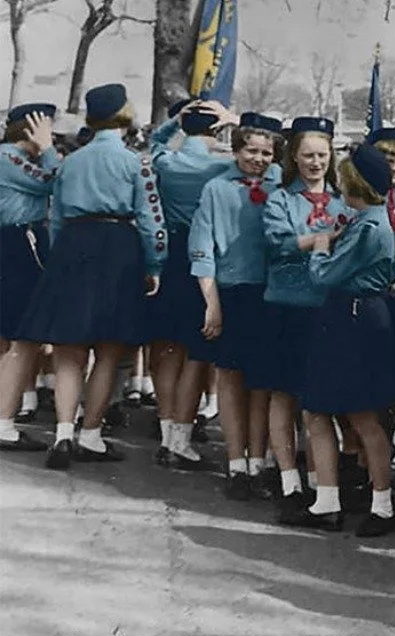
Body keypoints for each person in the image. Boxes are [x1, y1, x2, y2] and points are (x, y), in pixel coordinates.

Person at [9, 84, 167, 468]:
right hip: (118, 248)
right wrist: (154, 263)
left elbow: (58, 217)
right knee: (109, 351)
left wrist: (59, 258)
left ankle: (62, 434)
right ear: (124, 113)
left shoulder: (69, 162)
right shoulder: (138, 162)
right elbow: (150, 218)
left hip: (73, 248)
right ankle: (91, 435)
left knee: (69, 352)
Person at [290, 144, 395, 536]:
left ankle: (369, 504)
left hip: (351, 317)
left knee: (352, 415)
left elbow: (324, 276)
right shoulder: (370, 220)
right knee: (346, 413)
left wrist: (319, 248)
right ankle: (336, 500)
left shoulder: (367, 227)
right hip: (360, 316)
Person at [187, 112, 283, 500]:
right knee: (229, 378)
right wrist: (212, 304)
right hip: (231, 291)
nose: (258, 159)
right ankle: (235, 463)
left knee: (260, 384)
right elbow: (203, 250)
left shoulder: (281, 186)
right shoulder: (215, 189)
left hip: (270, 293)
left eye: (266, 152)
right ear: (235, 149)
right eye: (251, 151)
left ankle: (257, 460)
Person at [146, 97, 238, 469]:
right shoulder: (223, 166)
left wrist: (175, 124)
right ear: (217, 131)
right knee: (195, 352)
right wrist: (232, 118)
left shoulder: (167, 163)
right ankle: (181, 436)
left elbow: (153, 145)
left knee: (165, 348)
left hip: (170, 252)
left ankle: (167, 426)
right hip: (205, 256)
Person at [258, 116, 341, 510]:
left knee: (319, 398)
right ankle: (289, 478)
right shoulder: (280, 199)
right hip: (287, 306)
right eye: (307, 155)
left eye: (322, 155)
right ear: (294, 156)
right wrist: (323, 240)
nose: (315, 162)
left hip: (326, 308)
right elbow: (278, 243)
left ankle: (318, 476)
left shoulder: (342, 199)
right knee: (283, 394)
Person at [0, 103, 60, 452]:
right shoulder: (10, 157)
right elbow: (54, 180)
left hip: (16, 242)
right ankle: (5, 422)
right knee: (23, 339)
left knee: (11, 339)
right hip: (19, 243)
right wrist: (48, 149)